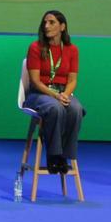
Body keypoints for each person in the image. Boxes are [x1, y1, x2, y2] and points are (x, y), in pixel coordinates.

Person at [25, 10, 86, 174]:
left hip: (62, 92)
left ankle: (65, 156)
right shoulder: (36, 47)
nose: (46, 26)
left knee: (76, 108)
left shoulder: (72, 50)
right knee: (55, 107)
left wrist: (65, 94)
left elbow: (73, 80)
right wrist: (55, 95)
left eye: (51, 22)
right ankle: (53, 155)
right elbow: (35, 81)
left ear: (62, 27)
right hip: (39, 93)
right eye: (45, 22)